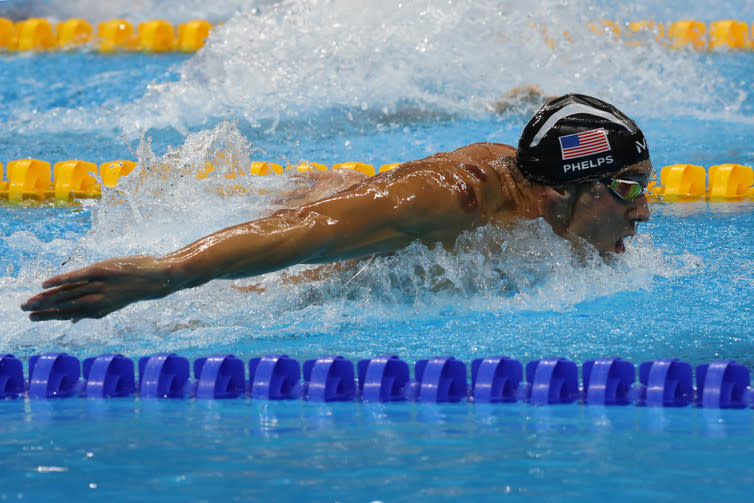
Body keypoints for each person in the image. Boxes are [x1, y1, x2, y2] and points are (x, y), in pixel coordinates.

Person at [21, 93, 652, 322]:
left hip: (358, 196)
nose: (644, 212)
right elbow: (301, 234)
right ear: (563, 191)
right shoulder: (449, 201)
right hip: (342, 217)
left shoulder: (538, 195)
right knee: (294, 286)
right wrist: (167, 274)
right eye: (627, 188)